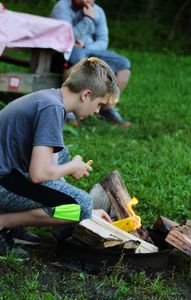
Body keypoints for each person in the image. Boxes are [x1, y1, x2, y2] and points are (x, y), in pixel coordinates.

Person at [0, 57, 119, 261]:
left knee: (61, 154)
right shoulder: (52, 108)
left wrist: (88, 211)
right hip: (4, 182)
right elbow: (39, 174)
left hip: (10, 174)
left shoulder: (51, 99)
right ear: (86, 94)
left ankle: (16, 224)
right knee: (80, 203)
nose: (97, 111)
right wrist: (72, 169)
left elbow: (52, 164)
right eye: (99, 104)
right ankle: (4, 223)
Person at [50, 0, 132, 128]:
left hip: (91, 49)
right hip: (66, 49)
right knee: (77, 54)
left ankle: (107, 109)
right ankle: (67, 110)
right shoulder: (62, 7)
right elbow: (66, 36)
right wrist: (88, 19)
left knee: (123, 64)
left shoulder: (98, 11)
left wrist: (86, 46)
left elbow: (103, 41)